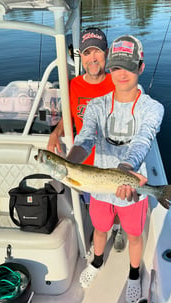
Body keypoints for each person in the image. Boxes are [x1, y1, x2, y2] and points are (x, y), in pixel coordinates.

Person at [66, 35, 164, 303]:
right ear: (110, 68)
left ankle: (134, 275)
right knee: (99, 229)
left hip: (132, 186)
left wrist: (126, 169)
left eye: (129, 67)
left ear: (140, 67)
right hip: (100, 189)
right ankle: (96, 263)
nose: (122, 74)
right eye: (116, 67)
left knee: (133, 235)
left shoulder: (153, 108)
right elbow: (85, 138)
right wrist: (69, 162)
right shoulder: (97, 105)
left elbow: (144, 138)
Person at [47, 27, 124, 250]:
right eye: (87, 53)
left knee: (117, 202)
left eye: (97, 52)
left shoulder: (117, 83)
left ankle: (118, 229)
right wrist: (55, 133)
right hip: (85, 162)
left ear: (106, 53)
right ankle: (101, 230)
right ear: (81, 56)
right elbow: (68, 118)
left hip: (113, 160)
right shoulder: (73, 85)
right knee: (94, 203)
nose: (93, 58)